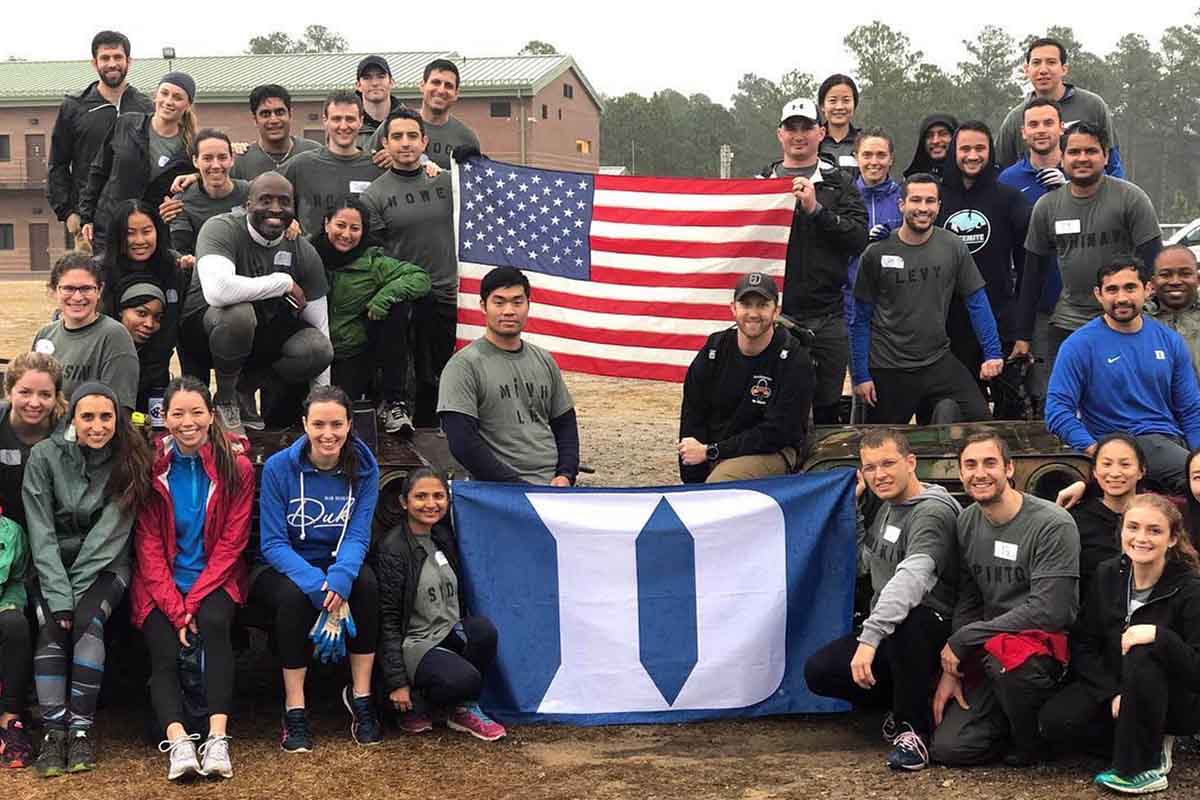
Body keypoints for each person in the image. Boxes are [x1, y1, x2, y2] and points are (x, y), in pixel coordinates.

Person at [804, 429, 961, 771]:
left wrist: (870, 637)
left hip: (932, 627)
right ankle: (903, 698)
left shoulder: (931, 514)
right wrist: (855, 510)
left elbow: (913, 578)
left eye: (888, 464)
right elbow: (865, 562)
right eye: (870, 467)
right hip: (892, 627)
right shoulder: (889, 505)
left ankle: (914, 732)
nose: (880, 475)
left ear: (911, 462)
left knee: (909, 622)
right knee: (820, 672)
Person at [24, 382, 152, 777]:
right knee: (50, 625)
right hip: (50, 566)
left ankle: (80, 730)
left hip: (105, 566)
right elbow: (40, 530)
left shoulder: (130, 459)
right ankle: (53, 733)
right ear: (72, 418)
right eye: (88, 417)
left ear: (118, 418)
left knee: (87, 623)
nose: (97, 426)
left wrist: (75, 597)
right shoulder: (44, 456)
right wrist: (60, 595)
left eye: (106, 417)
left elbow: (109, 536)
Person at [930, 431, 1080, 767]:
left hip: (1040, 646)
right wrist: (954, 665)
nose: (979, 473)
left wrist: (964, 638)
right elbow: (970, 596)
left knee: (1011, 670)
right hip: (990, 647)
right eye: (970, 464)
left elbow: (1049, 611)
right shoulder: (967, 520)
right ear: (960, 473)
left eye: (990, 463)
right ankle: (1007, 722)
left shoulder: (1052, 524)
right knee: (950, 749)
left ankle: (1035, 740)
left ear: (1009, 469)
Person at [130, 376, 253, 780]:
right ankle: (179, 741)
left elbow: (233, 542)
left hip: (214, 579)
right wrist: (175, 607)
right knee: (163, 643)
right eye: (178, 413)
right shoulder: (152, 468)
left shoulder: (236, 468)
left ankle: (217, 738)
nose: (188, 422)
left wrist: (195, 602)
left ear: (211, 416)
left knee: (216, 627)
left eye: (197, 412)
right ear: (164, 418)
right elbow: (147, 546)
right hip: (161, 583)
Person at [1038, 494, 1200, 795]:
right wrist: (1112, 693)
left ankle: (1141, 766)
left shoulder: (1190, 588)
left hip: (1172, 696)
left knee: (1144, 645)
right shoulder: (1108, 574)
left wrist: (1161, 637)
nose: (1141, 538)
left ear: (1173, 538)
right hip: (1116, 683)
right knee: (1056, 723)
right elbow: (1084, 643)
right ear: (1121, 530)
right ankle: (1137, 736)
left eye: (1154, 530)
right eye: (1133, 527)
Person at [251, 386, 381, 751]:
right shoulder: (279, 468)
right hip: (283, 566)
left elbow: (358, 534)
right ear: (305, 424)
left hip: (338, 562)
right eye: (319, 424)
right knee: (293, 599)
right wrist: (319, 586)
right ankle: (295, 709)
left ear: (350, 424)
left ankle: (361, 697)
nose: (328, 433)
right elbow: (273, 543)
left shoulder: (365, 468)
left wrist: (340, 579)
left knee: (367, 585)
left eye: (337, 424)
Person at [178, 172, 333, 433]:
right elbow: (218, 292)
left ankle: (244, 388)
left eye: (284, 202)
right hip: (204, 332)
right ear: (248, 205)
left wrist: (324, 404)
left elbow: (321, 328)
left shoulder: (302, 250)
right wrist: (282, 282)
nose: (275, 209)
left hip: (257, 344)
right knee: (238, 314)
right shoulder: (220, 228)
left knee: (319, 349)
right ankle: (226, 399)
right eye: (265, 200)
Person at [850, 174, 1003, 424]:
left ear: (939, 207)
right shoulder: (876, 252)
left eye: (930, 201)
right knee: (882, 448)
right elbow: (859, 319)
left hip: (937, 361)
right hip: (889, 367)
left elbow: (977, 302)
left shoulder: (952, 246)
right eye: (916, 200)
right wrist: (860, 376)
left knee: (981, 425)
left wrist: (993, 353)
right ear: (901, 204)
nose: (923, 208)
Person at [1014, 123, 1162, 377]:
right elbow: (1032, 278)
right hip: (1069, 322)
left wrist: (1147, 313)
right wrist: (1023, 336)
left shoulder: (1131, 199)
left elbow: (1154, 263)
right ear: (1062, 157)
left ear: (1105, 156)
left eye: (1091, 151)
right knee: (1062, 402)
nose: (1082, 158)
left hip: (1125, 318)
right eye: (1074, 152)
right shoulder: (1047, 207)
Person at [1045, 259, 1200, 493]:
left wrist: (1196, 459)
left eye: (1130, 288)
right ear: (1098, 294)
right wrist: (1097, 451)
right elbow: (1057, 410)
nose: (1121, 298)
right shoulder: (1079, 345)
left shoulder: (1169, 341)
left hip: (1168, 444)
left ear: (1147, 289)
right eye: (1111, 289)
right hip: (1118, 441)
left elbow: (1190, 409)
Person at [757, 98, 868, 425]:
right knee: (772, 404)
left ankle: (819, 474)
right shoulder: (760, 184)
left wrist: (817, 210)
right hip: (775, 315)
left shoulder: (840, 183)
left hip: (827, 316)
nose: (799, 134)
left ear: (821, 132)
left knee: (826, 407)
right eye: (792, 128)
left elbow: (859, 238)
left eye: (807, 127)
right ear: (780, 133)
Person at [375, 468, 507, 740]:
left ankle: (462, 708)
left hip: (446, 630)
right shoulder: (393, 549)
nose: (431, 504)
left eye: (438, 496)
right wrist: (397, 681)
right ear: (404, 502)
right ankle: (406, 702)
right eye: (420, 496)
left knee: (483, 631)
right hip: (415, 642)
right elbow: (387, 618)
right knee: (465, 679)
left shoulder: (443, 537)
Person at [438, 267, 579, 485]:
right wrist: (514, 486)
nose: (509, 310)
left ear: (528, 305)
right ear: (483, 306)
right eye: (499, 302)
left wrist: (566, 474)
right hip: (500, 492)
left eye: (517, 302)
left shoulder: (544, 359)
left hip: (554, 488)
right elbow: (462, 441)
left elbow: (565, 423)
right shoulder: (463, 365)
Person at [362, 109, 458, 427]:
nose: (406, 143)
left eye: (412, 136)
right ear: (386, 144)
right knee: (404, 370)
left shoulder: (447, 182)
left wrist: (473, 164)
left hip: (448, 293)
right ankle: (398, 414)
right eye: (398, 137)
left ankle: (437, 432)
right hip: (403, 299)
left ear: (424, 141)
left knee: (439, 373)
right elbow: (374, 254)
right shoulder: (374, 194)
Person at [677, 272, 813, 483]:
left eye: (762, 305)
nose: (753, 313)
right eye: (746, 304)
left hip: (772, 450)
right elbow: (692, 417)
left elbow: (779, 432)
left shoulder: (794, 360)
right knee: (698, 493)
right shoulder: (714, 350)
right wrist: (692, 481)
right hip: (714, 449)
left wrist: (713, 451)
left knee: (719, 485)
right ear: (733, 308)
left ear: (775, 311)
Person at [310, 196, 431, 433]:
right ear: (326, 224)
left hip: (351, 352)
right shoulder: (308, 254)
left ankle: (393, 403)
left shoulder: (373, 262)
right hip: (310, 352)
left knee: (399, 309)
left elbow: (420, 278)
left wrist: (384, 296)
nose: (346, 234)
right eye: (340, 225)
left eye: (355, 228)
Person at [937, 121, 1033, 417]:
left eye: (980, 148)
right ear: (954, 151)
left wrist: (1022, 329)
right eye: (965, 148)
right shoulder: (936, 198)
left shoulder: (1009, 198)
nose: (972, 155)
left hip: (999, 317)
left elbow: (1028, 266)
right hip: (949, 323)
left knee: (1009, 410)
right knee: (958, 409)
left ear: (990, 151)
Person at [48, 30, 153, 252]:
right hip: (90, 224)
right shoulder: (74, 107)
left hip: (138, 223)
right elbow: (57, 164)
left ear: (129, 62)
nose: (112, 64)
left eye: (118, 57)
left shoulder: (146, 108)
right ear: (94, 63)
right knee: (90, 284)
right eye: (105, 58)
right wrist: (68, 212)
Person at [998, 98, 1068, 415]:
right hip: (1035, 303)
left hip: (1082, 301)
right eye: (1034, 125)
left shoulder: (1082, 170)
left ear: (1061, 128)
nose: (1041, 130)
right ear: (1023, 132)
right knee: (1042, 388)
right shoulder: (1008, 181)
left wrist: (1067, 187)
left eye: (1048, 123)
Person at [79, 72, 197, 255]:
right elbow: (98, 170)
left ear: (188, 104)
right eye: (164, 93)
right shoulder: (126, 124)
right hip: (110, 227)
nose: (168, 101)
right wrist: (87, 217)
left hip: (152, 237)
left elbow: (210, 175)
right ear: (155, 95)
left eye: (177, 97)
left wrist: (197, 175)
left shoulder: (191, 149)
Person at [996, 37, 1124, 177]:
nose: (1043, 70)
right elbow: (1001, 168)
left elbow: (1113, 162)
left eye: (1051, 62)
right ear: (1027, 70)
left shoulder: (1093, 106)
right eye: (1036, 63)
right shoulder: (1016, 118)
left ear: (1064, 69)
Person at [98, 200, 183, 410]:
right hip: (109, 365)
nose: (140, 240)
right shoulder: (101, 270)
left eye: (147, 231)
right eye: (130, 233)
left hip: (156, 365)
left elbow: (170, 324)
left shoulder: (172, 266)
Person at [32, 251, 138, 410]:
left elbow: (119, 409)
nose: (77, 297)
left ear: (99, 290)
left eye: (86, 289)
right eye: (68, 288)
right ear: (55, 291)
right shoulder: (45, 335)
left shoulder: (114, 336)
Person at [281, 91, 383, 237]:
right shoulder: (301, 165)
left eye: (350, 119)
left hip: (365, 258)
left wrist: (427, 166)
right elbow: (258, 189)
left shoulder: (377, 166)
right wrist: (285, 219)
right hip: (313, 257)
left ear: (360, 121)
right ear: (325, 120)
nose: (343, 126)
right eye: (336, 119)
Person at [1064, 434, 1147, 604]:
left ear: (1141, 471)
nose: (1115, 473)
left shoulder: (1156, 514)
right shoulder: (1075, 520)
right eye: (1106, 464)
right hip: (1093, 614)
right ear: (1094, 471)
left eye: (1125, 464)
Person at [0, 352, 66, 531]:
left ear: (56, 396)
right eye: (25, 392)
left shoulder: (69, 435)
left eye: (45, 394)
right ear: (8, 392)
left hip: (54, 529)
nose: (34, 403)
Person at [847, 128, 903, 324]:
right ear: (856, 158)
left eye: (881, 155)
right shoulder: (843, 198)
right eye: (867, 155)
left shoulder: (904, 199)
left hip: (894, 305)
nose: (874, 162)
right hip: (850, 305)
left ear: (891, 159)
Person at [167, 130, 249, 255]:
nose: (215, 165)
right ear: (195, 161)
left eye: (222, 157)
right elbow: (180, 250)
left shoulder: (251, 192)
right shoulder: (180, 202)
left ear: (232, 159)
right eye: (207, 158)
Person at [229, 85, 321, 181]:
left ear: (290, 114)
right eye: (265, 114)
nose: (274, 120)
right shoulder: (241, 162)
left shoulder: (314, 153)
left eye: (279, 112)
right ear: (255, 119)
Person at [0, 500, 31, 769]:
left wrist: (10, 604)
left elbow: (17, 580)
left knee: (15, 624)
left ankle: (9, 720)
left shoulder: (12, 532)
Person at [112, 277, 167, 412]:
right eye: (141, 313)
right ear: (121, 311)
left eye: (157, 317)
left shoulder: (157, 362)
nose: (149, 324)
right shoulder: (102, 350)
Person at [1147, 245, 1200, 376]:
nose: (1175, 281)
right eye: (1165, 275)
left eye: (1185, 274)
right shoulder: (1138, 320)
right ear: (1153, 282)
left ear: (1198, 279)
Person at [355, 55, 405, 152]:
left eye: (381, 77)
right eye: (367, 78)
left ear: (391, 82)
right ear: (358, 85)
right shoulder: (348, 124)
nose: (374, 83)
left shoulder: (409, 121)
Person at [817, 74, 861, 178]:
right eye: (833, 100)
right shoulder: (812, 141)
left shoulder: (864, 142)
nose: (839, 107)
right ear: (822, 106)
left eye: (846, 100)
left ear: (854, 104)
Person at [903, 114, 957, 179]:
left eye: (943, 134)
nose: (935, 141)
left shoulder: (967, 177)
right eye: (929, 135)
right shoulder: (912, 181)